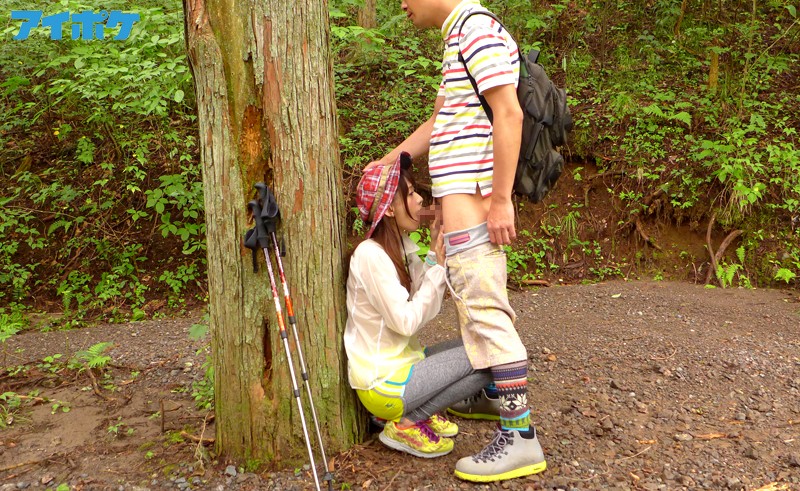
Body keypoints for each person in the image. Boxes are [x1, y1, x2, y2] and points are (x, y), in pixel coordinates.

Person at [363, 0, 547, 482]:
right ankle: (493, 402)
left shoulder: (477, 28)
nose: (400, 4)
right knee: (476, 314)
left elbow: (509, 114)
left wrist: (503, 199)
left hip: (479, 211)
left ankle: (520, 438)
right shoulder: (457, 37)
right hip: (461, 213)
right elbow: (439, 125)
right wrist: (388, 164)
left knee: (488, 318)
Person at [345, 152, 493, 459]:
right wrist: (438, 268)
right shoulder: (370, 256)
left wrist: (433, 253)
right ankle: (407, 421)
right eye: (410, 194)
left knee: (486, 344)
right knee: (490, 354)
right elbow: (407, 321)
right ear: (388, 209)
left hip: (404, 364)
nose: (418, 200)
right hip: (383, 383)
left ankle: (418, 409)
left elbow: (424, 299)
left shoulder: (398, 248)